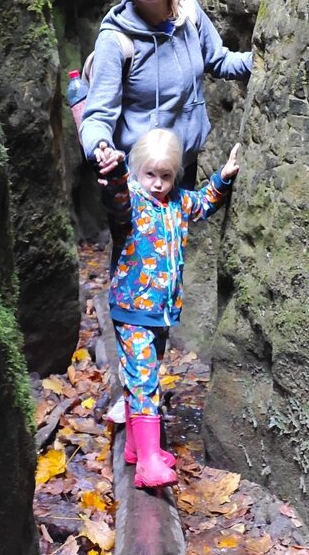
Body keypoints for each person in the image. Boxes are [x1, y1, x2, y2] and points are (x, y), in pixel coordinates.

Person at [99, 128, 240, 488]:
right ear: (135, 171)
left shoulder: (177, 201)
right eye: (150, 174)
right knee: (145, 380)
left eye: (166, 176)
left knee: (142, 377)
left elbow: (204, 202)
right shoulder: (131, 197)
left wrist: (222, 179)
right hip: (132, 308)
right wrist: (115, 176)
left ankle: (135, 446)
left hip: (161, 311)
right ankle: (147, 462)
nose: (158, 184)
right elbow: (117, 204)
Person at [79, 0, 252, 188]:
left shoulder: (189, 13)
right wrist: (100, 147)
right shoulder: (116, 41)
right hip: (139, 172)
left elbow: (218, 60)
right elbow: (98, 114)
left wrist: (262, 58)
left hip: (183, 162)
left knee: (178, 228)